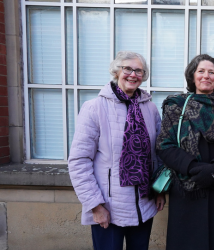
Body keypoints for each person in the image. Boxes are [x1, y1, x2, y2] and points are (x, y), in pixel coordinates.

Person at [68, 51, 165, 250]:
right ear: (116, 71)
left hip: (144, 207)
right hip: (109, 208)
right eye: (127, 68)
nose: (133, 74)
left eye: (139, 71)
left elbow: (158, 154)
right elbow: (79, 161)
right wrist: (95, 205)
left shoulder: (151, 109)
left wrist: (159, 190)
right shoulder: (94, 108)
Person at [156, 54, 214, 250]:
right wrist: (194, 168)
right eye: (201, 71)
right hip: (188, 187)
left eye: (212, 72)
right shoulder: (176, 106)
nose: (206, 76)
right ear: (192, 76)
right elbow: (164, 144)